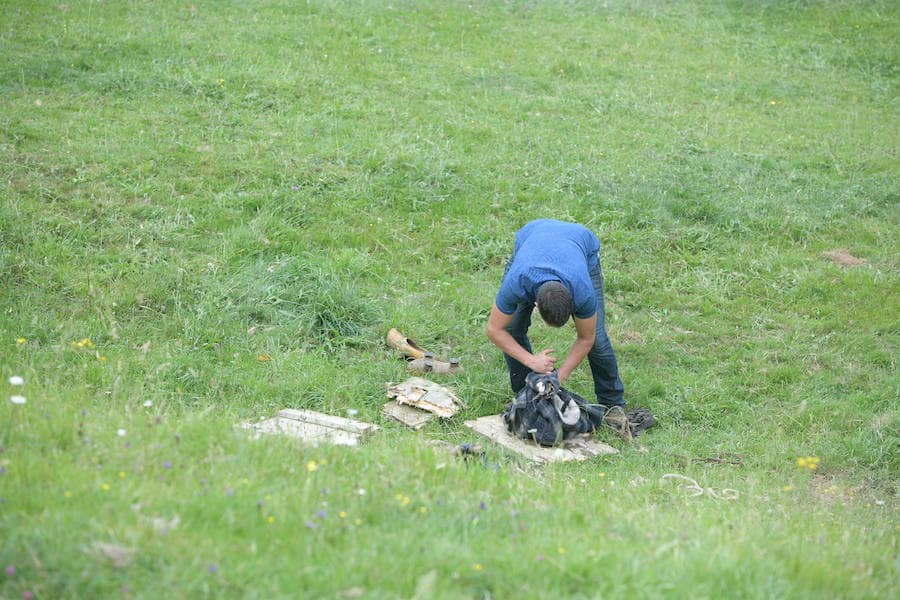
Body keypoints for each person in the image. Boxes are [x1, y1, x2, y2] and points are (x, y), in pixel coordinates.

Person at [485, 219, 628, 428]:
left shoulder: (583, 292)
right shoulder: (518, 281)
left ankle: (612, 402)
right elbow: (494, 329)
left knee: (598, 339)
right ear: (534, 303)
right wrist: (531, 361)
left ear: (573, 304)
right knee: (512, 328)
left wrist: (559, 377)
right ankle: (526, 394)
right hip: (532, 238)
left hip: (581, 243)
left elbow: (586, 338)